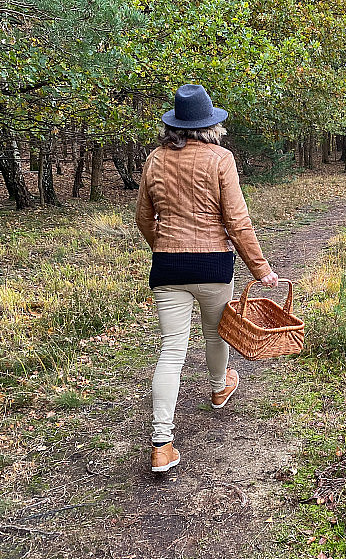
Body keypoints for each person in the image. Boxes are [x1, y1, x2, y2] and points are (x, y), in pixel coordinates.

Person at [136, 84, 278, 473]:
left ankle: (162, 444)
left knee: (171, 351)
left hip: (167, 265)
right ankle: (219, 389)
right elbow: (237, 221)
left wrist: (162, 245)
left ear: (175, 126)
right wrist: (261, 268)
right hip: (212, 263)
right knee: (216, 334)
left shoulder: (154, 159)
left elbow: (144, 219)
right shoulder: (221, 159)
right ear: (208, 124)